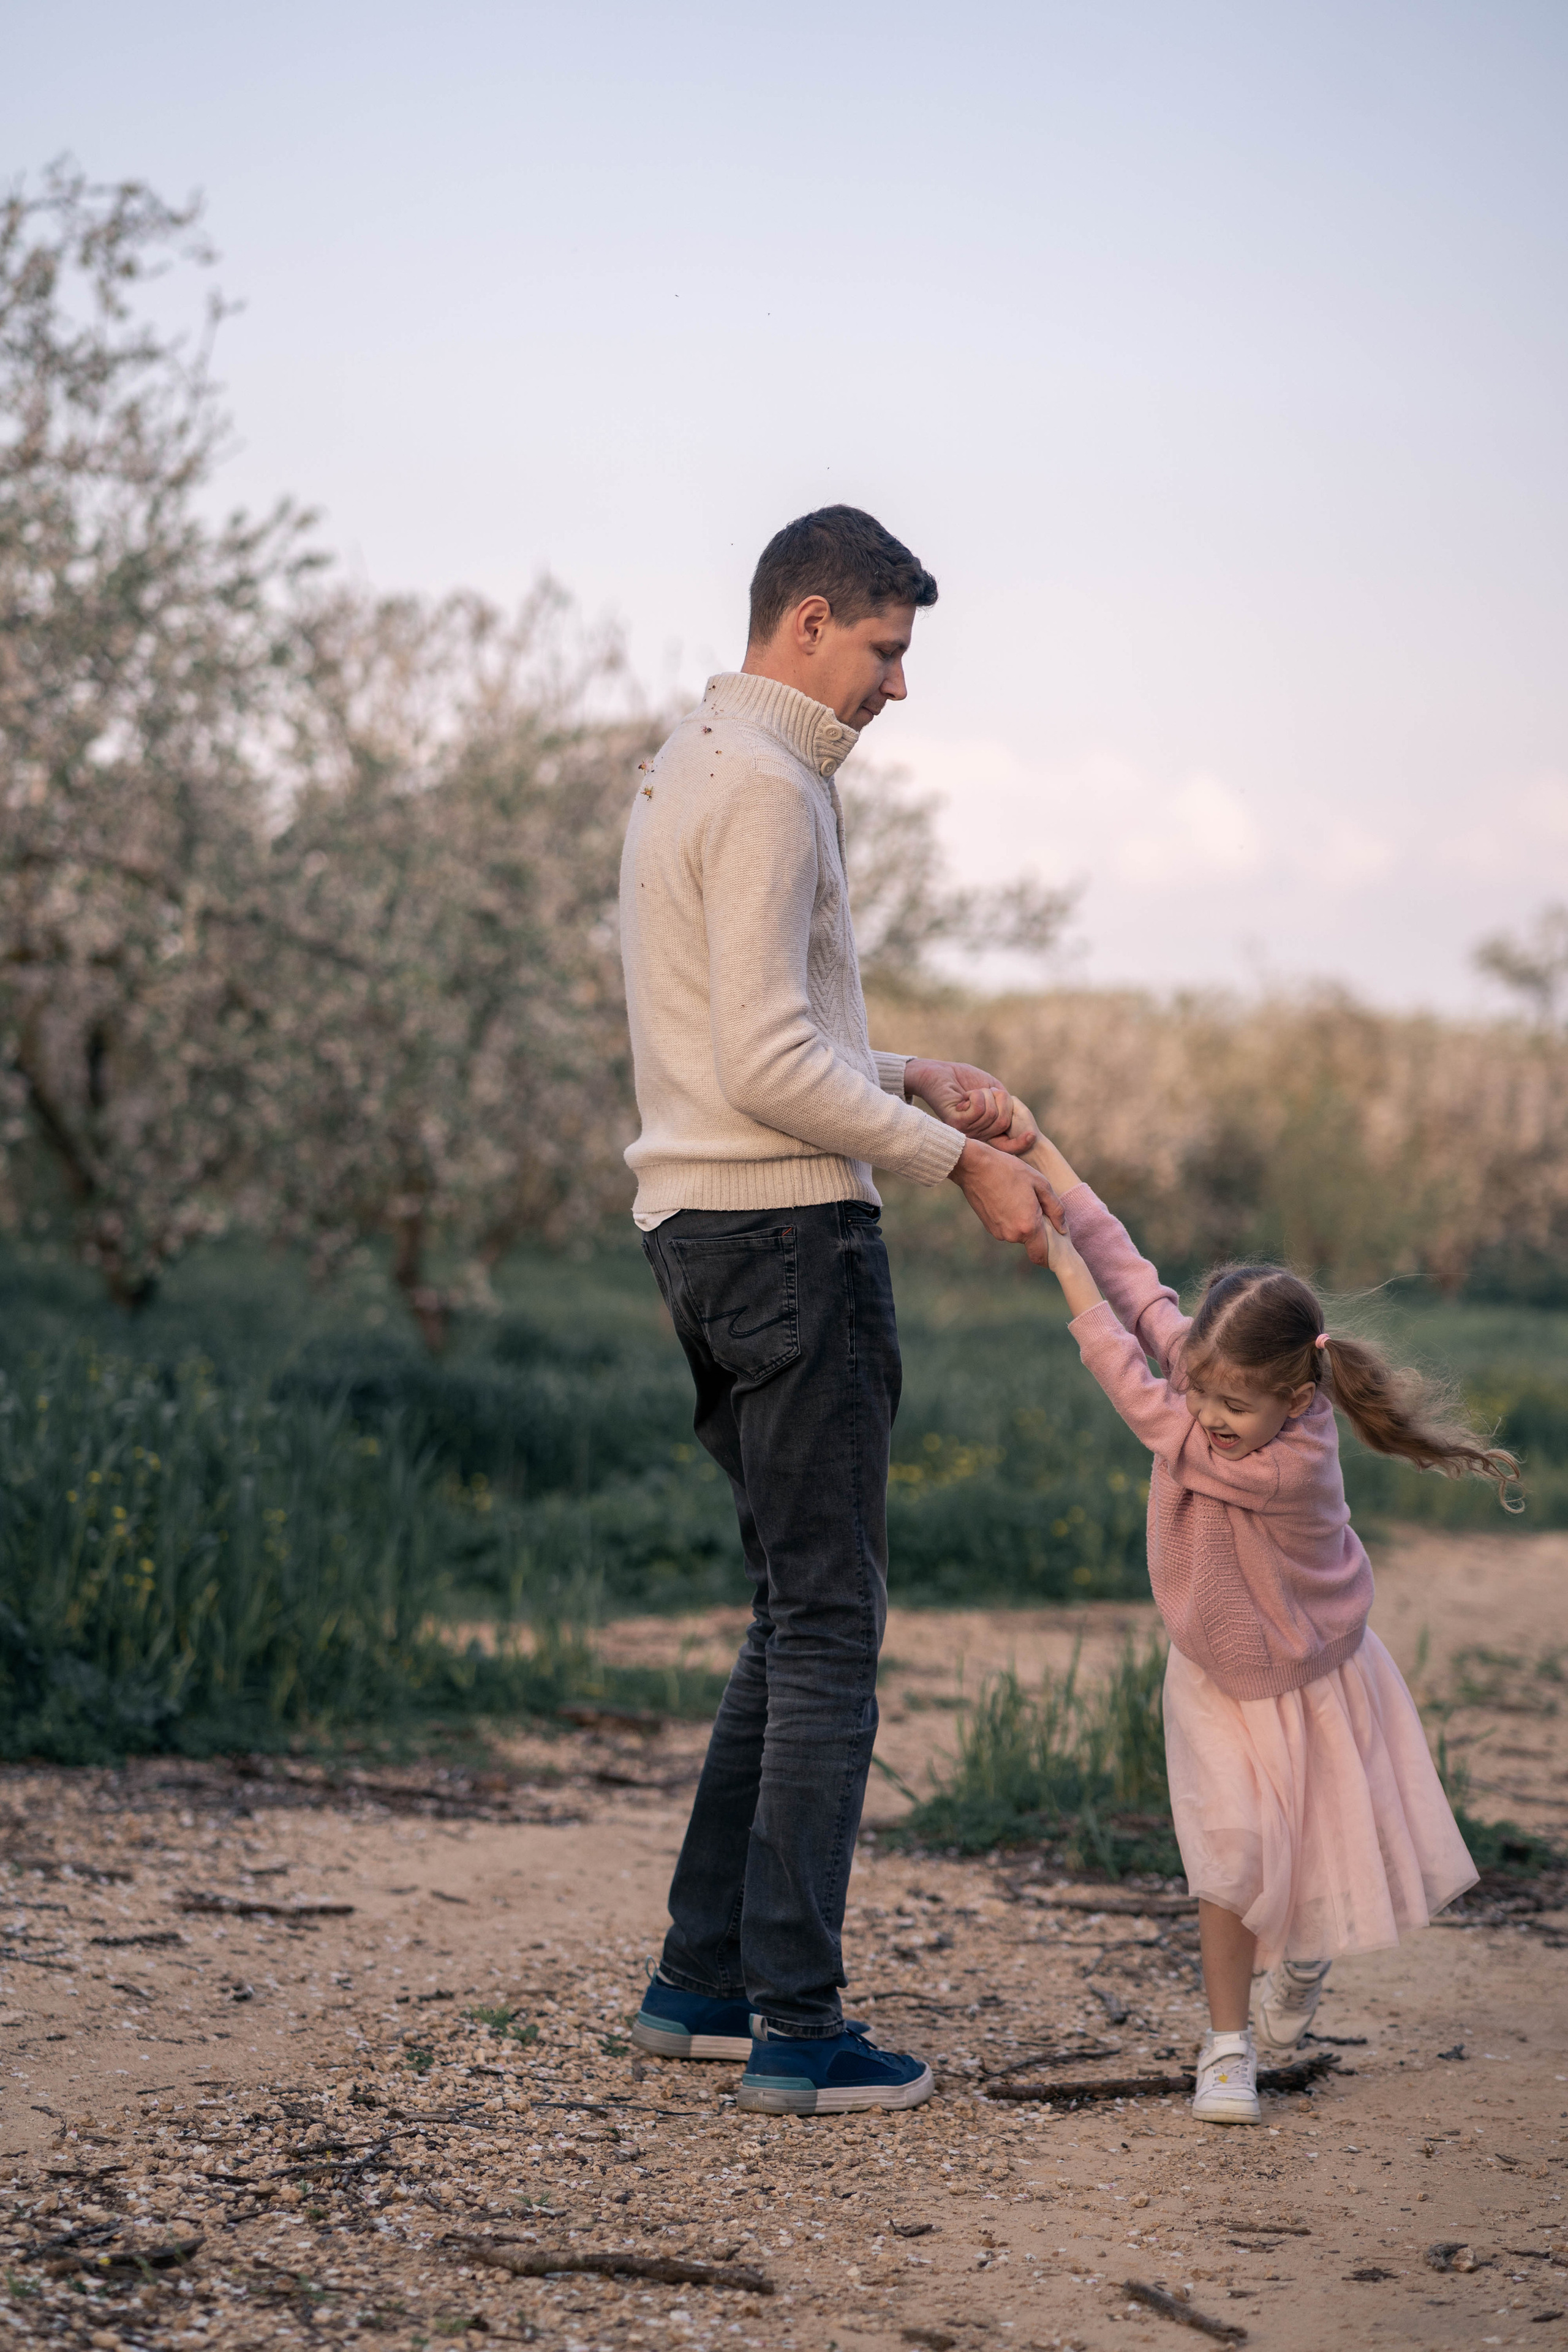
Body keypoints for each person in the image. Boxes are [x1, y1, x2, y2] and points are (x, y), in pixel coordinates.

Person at [619, 506, 1057, 2116]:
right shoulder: (772, 786)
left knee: (793, 1612)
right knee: (833, 1633)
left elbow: (759, 1044)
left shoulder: (692, 765)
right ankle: (799, 2029)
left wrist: (914, 1070)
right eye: (885, 650)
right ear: (809, 623)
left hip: (703, 1230)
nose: (895, 686)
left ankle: (701, 1986)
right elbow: (763, 1070)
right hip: (789, 1245)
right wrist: (959, 1165)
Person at [1014, 1108, 1519, 2125]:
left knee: (1308, 1851)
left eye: (1229, 1407)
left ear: (1296, 1398)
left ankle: (1303, 1962)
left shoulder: (1288, 1461)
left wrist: (1054, 1263)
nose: (1202, 1412)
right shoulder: (1214, 1383)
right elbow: (1142, 1286)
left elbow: (1134, 1390)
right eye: (1197, 1387)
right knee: (1230, 1859)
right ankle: (1228, 2047)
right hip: (1216, 1672)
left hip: (1312, 1672)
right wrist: (1039, 1151)